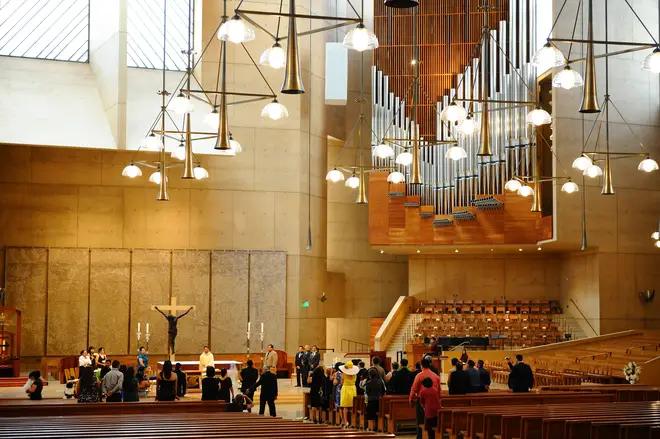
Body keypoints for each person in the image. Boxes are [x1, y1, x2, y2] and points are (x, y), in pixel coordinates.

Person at [409, 358, 441, 439]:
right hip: (434, 400)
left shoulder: (419, 375)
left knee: (420, 420)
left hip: (422, 400)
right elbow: (439, 390)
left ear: (421, 366)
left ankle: (420, 436)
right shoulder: (436, 376)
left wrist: (411, 399)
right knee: (433, 420)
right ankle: (432, 436)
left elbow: (414, 388)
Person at [339, 361, 359, 428]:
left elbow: (342, 382)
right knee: (353, 406)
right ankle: (353, 422)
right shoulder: (355, 374)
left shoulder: (343, 374)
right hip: (353, 389)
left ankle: (346, 421)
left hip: (345, 389)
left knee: (345, 407)